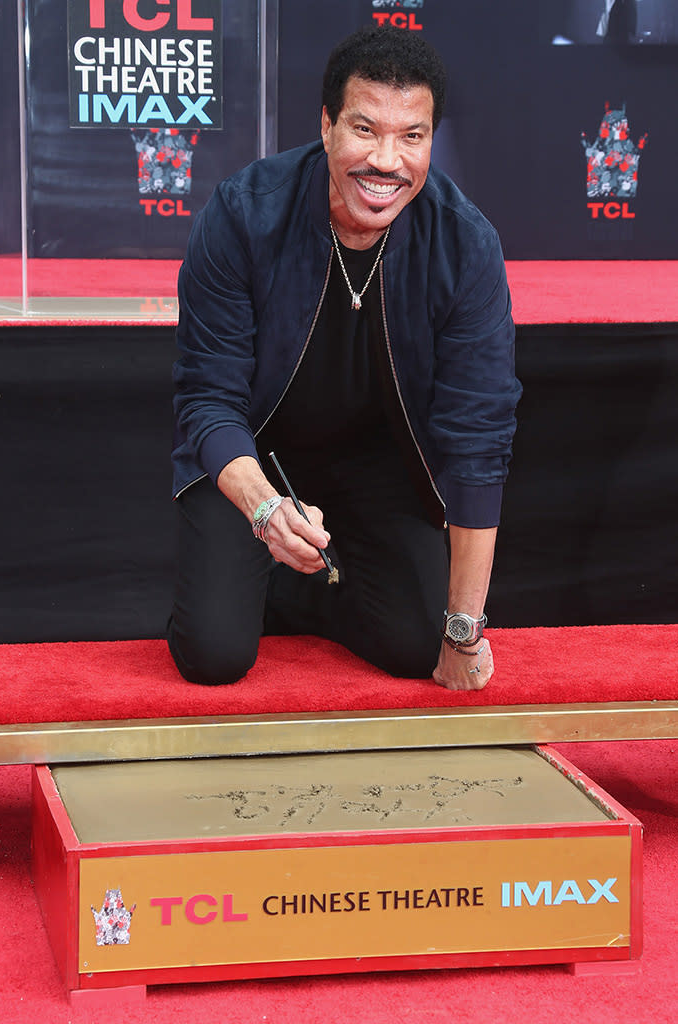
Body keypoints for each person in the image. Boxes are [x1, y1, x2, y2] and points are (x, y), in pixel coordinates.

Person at [168, 25, 521, 691]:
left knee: (420, 643)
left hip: (380, 463)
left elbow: (479, 438)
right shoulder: (245, 213)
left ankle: (299, 593)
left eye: (410, 136)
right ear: (327, 125)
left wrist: (463, 627)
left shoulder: (464, 244)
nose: (386, 160)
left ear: (429, 140)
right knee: (213, 655)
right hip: (256, 453)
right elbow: (207, 399)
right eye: (364, 129)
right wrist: (265, 508)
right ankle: (250, 574)